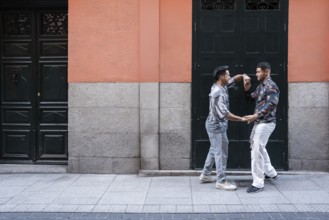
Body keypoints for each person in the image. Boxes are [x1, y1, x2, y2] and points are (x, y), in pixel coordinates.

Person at [199, 65, 246, 190]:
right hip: (216, 126)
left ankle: (205, 174)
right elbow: (225, 114)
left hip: (215, 125)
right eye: (228, 75)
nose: (229, 77)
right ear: (221, 77)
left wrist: (243, 76)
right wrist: (242, 119)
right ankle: (221, 181)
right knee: (221, 153)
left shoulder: (221, 85)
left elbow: (233, 80)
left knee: (214, 149)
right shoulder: (217, 93)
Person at [243, 61, 280, 193]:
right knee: (257, 147)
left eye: (259, 72)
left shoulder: (271, 86)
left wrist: (255, 116)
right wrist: (247, 89)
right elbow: (250, 99)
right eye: (257, 71)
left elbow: (271, 105)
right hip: (259, 122)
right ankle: (271, 172)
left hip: (266, 123)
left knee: (256, 151)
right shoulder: (261, 87)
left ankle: (258, 183)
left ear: (267, 72)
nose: (256, 74)